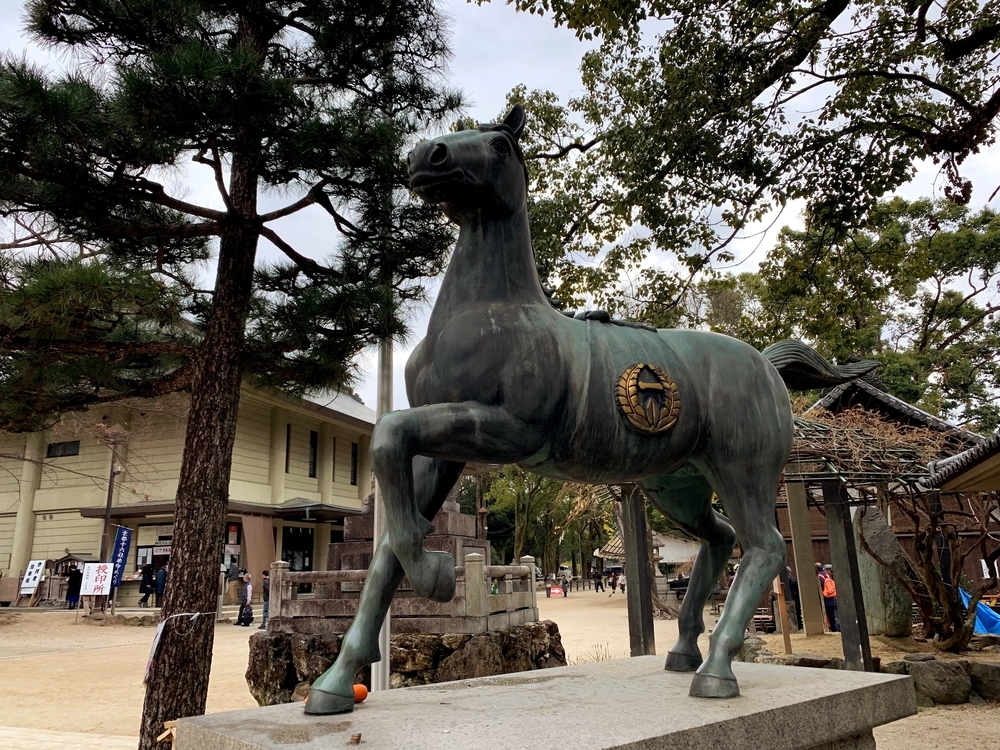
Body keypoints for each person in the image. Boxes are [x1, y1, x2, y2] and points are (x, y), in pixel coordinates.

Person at [820, 564, 839, 632]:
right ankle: (836, 628)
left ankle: (834, 628)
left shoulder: (822, 578)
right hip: (833, 598)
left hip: (827, 599)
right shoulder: (830, 578)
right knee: (833, 616)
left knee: (831, 616)